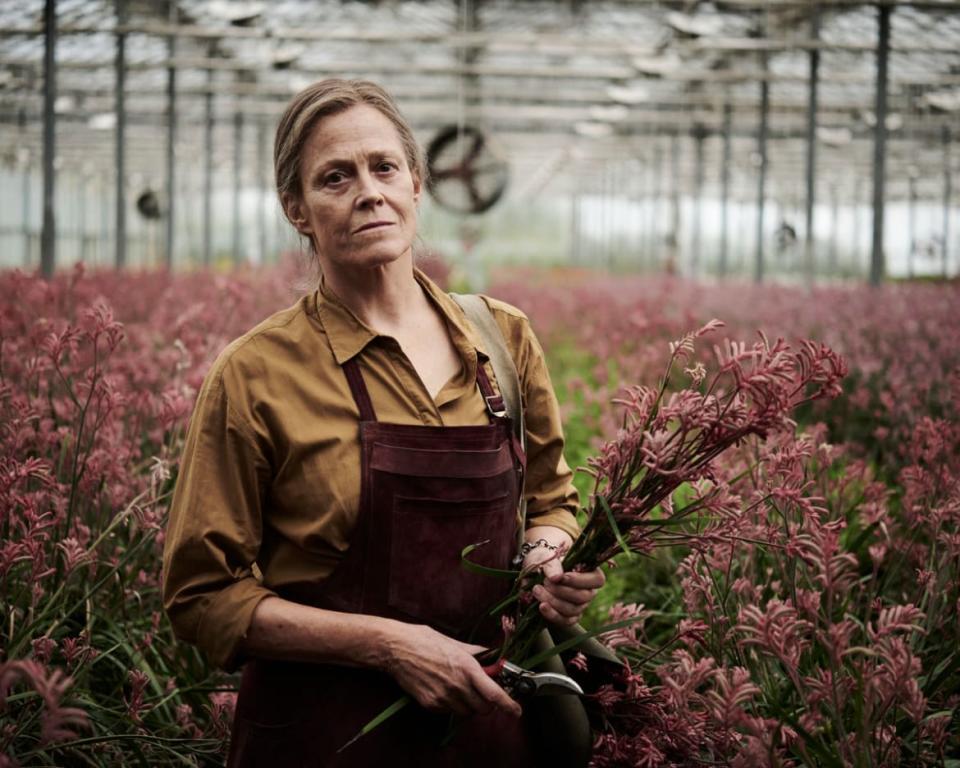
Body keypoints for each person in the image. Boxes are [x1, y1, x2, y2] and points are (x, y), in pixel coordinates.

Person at [162, 79, 605, 767]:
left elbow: (551, 500)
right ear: (297, 210)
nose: (368, 191)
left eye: (384, 167)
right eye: (334, 178)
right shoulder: (256, 374)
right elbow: (201, 596)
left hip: (485, 728)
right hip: (322, 734)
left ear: (417, 184)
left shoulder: (502, 340)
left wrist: (549, 558)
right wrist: (389, 645)